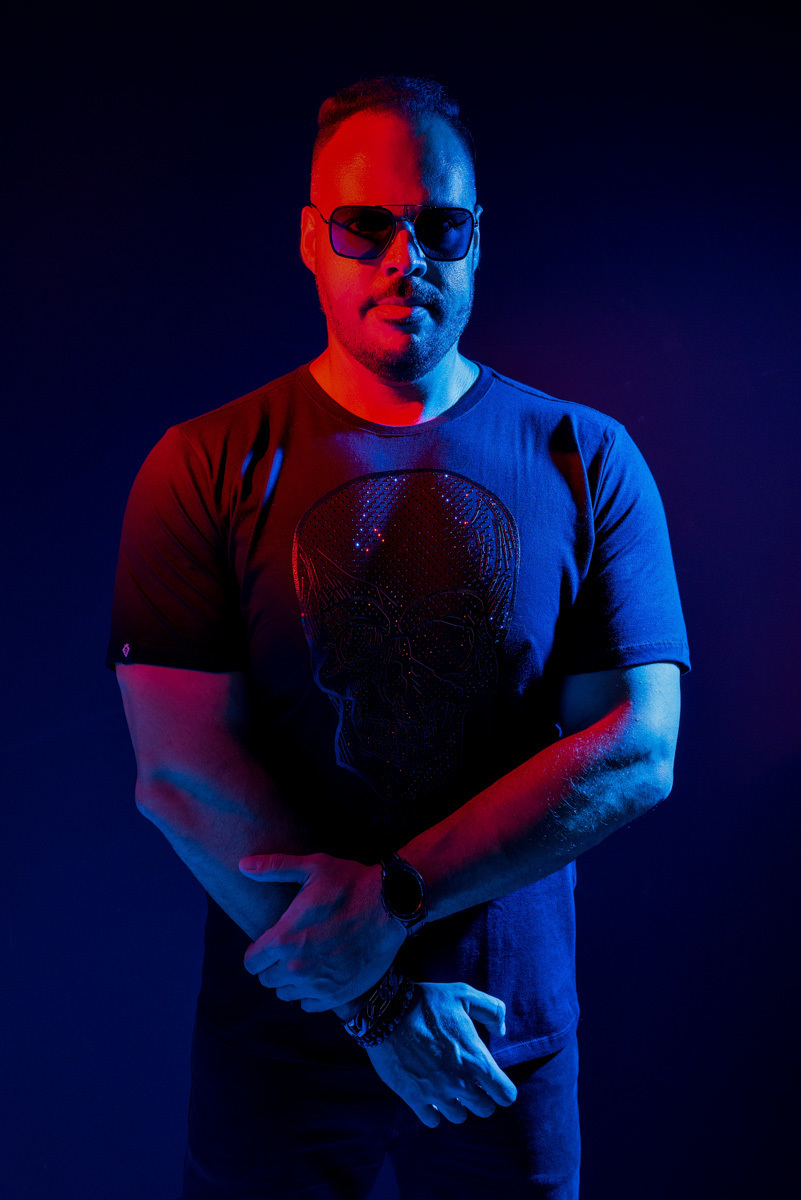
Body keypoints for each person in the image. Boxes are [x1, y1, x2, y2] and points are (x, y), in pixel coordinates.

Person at [108, 76, 690, 1200]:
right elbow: (179, 774)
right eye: (364, 225)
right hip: (278, 1056)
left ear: (476, 241)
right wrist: (377, 1002)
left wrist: (397, 895)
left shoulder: (586, 459)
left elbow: (637, 748)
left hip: (502, 1051)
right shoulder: (202, 467)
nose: (402, 257)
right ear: (310, 239)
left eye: (439, 227)